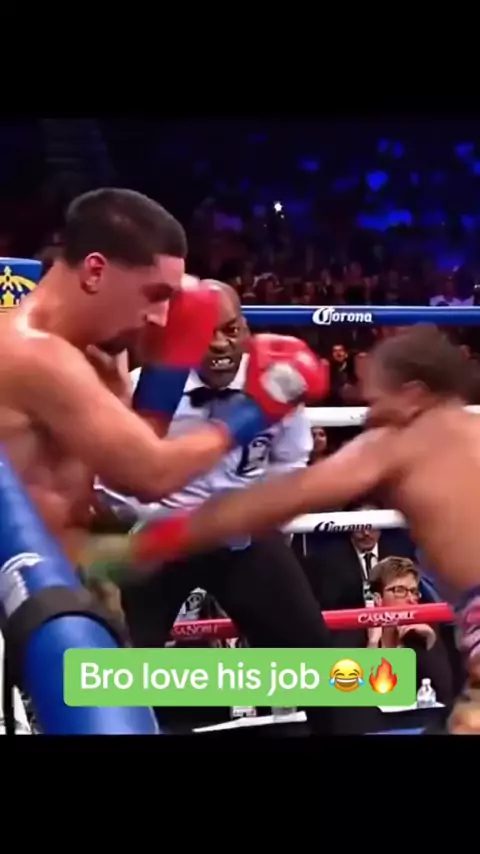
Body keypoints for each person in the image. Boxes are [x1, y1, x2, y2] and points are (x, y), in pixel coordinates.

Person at [86, 325, 480, 733]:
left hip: (229, 540)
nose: (367, 414)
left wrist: (140, 547)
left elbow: (273, 500)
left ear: (413, 395)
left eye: (375, 400)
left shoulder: (394, 443)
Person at [0, 187, 329, 573]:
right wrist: (257, 407)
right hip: (19, 581)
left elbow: (127, 460)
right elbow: (150, 475)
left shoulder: (101, 352)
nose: (159, 316)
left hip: (66, 565)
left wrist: (166, 363)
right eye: (155, 295)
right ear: (95, 271)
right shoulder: (36, 354)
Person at [95, 281, 334, 731]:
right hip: (161, 538)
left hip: (241, 537)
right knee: (116, 662)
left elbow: (291, 460)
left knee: (319, 661)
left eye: (231, 329)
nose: (221, 343)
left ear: (246, 328)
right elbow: (113, 480)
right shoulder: (146, 389)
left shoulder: (278, 383)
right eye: (206, 332)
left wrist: (252, 514)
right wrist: (156, 519)